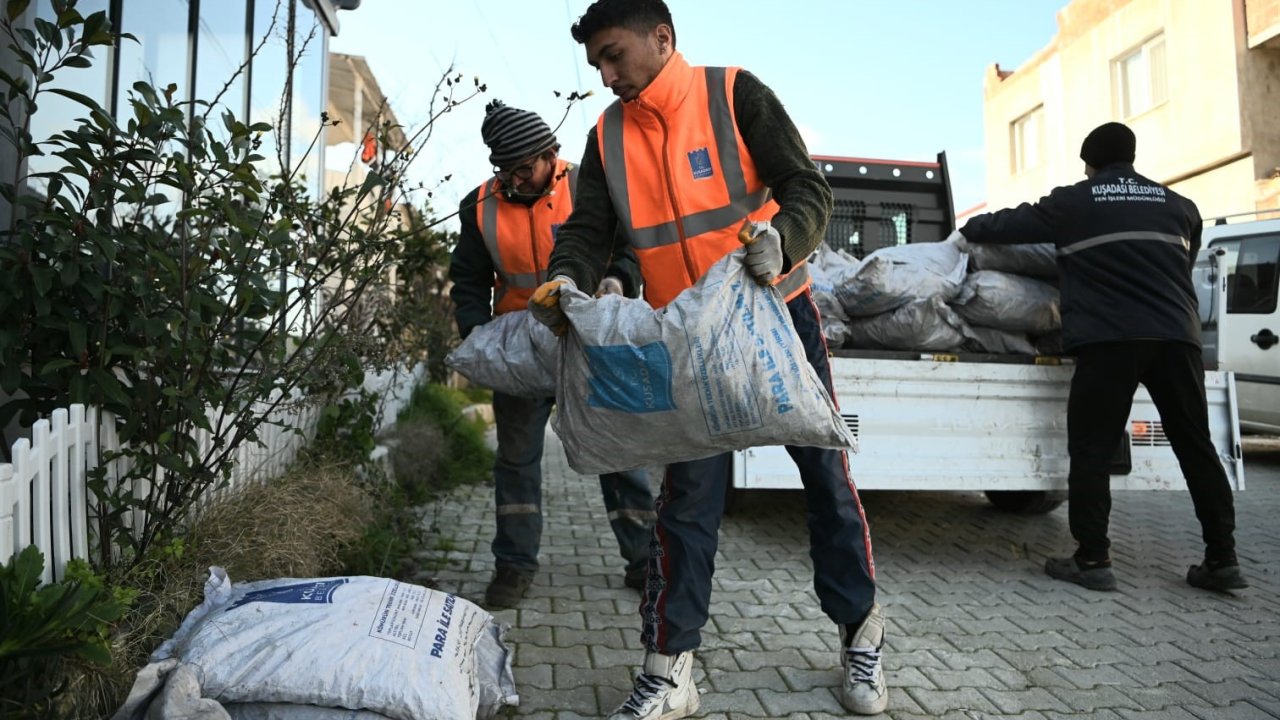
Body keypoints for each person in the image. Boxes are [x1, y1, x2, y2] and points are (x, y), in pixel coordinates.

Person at [526, 2, 886, 717]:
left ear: (663, 39)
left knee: (825, 479)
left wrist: (783, 239)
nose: (605, 73)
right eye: (595, 61)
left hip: (776, 314)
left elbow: (808, 188)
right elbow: (588, 229)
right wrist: (565, 278)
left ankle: (861, 635)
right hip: (682, 337)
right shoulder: (607, 137)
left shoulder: (733, 93)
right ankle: (669, 668)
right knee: (687, 501)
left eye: (613, 54)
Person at [958, 121, 1247, 594]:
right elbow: (1185, 258)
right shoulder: (1180, 206)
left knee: (1092, 448)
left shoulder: (1077, 200)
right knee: (1196, 446)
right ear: (1131, 158)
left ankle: (1093, 559)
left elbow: (1005, 226)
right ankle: (1223, 559)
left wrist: (969, 227)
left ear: (1090, 162)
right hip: (1178, 337)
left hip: (1110, 338)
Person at [448, 100, 657, 609]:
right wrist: (477, 335)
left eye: (525, 168)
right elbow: (470, 280)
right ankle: (514, 566)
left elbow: (629, 248)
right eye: (506, 170)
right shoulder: (479, 205)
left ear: (551, 155)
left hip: (592, 341)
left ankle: (645, 563)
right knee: (517, 460)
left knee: (618, 452)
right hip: (521, 349)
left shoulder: (591, 183)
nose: (515, 180)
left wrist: (616, 279)